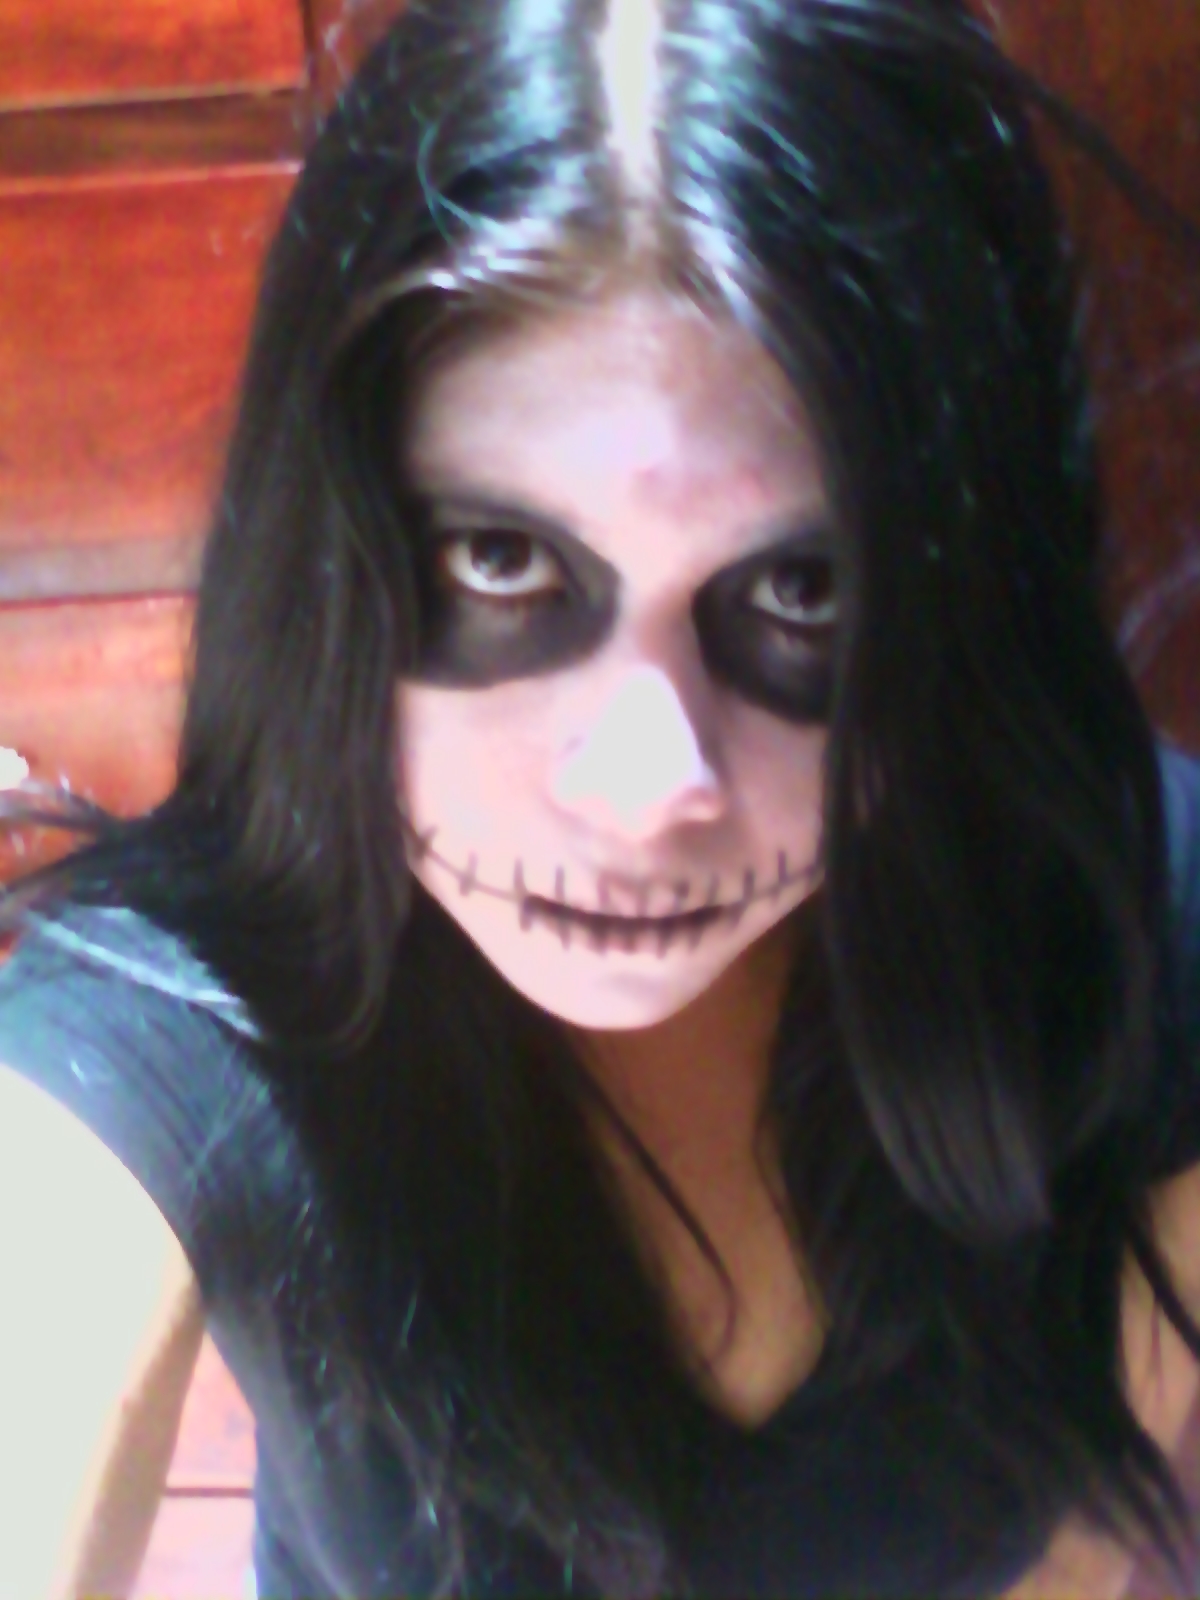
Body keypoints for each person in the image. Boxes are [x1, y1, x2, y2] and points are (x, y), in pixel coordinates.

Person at [1, 0, 1199, 1594]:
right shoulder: (184, 1019)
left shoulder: (1127, 929)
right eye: (501, 563)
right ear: (324, 565)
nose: (647, 794)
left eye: (804, 594)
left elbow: (1082, 1544)